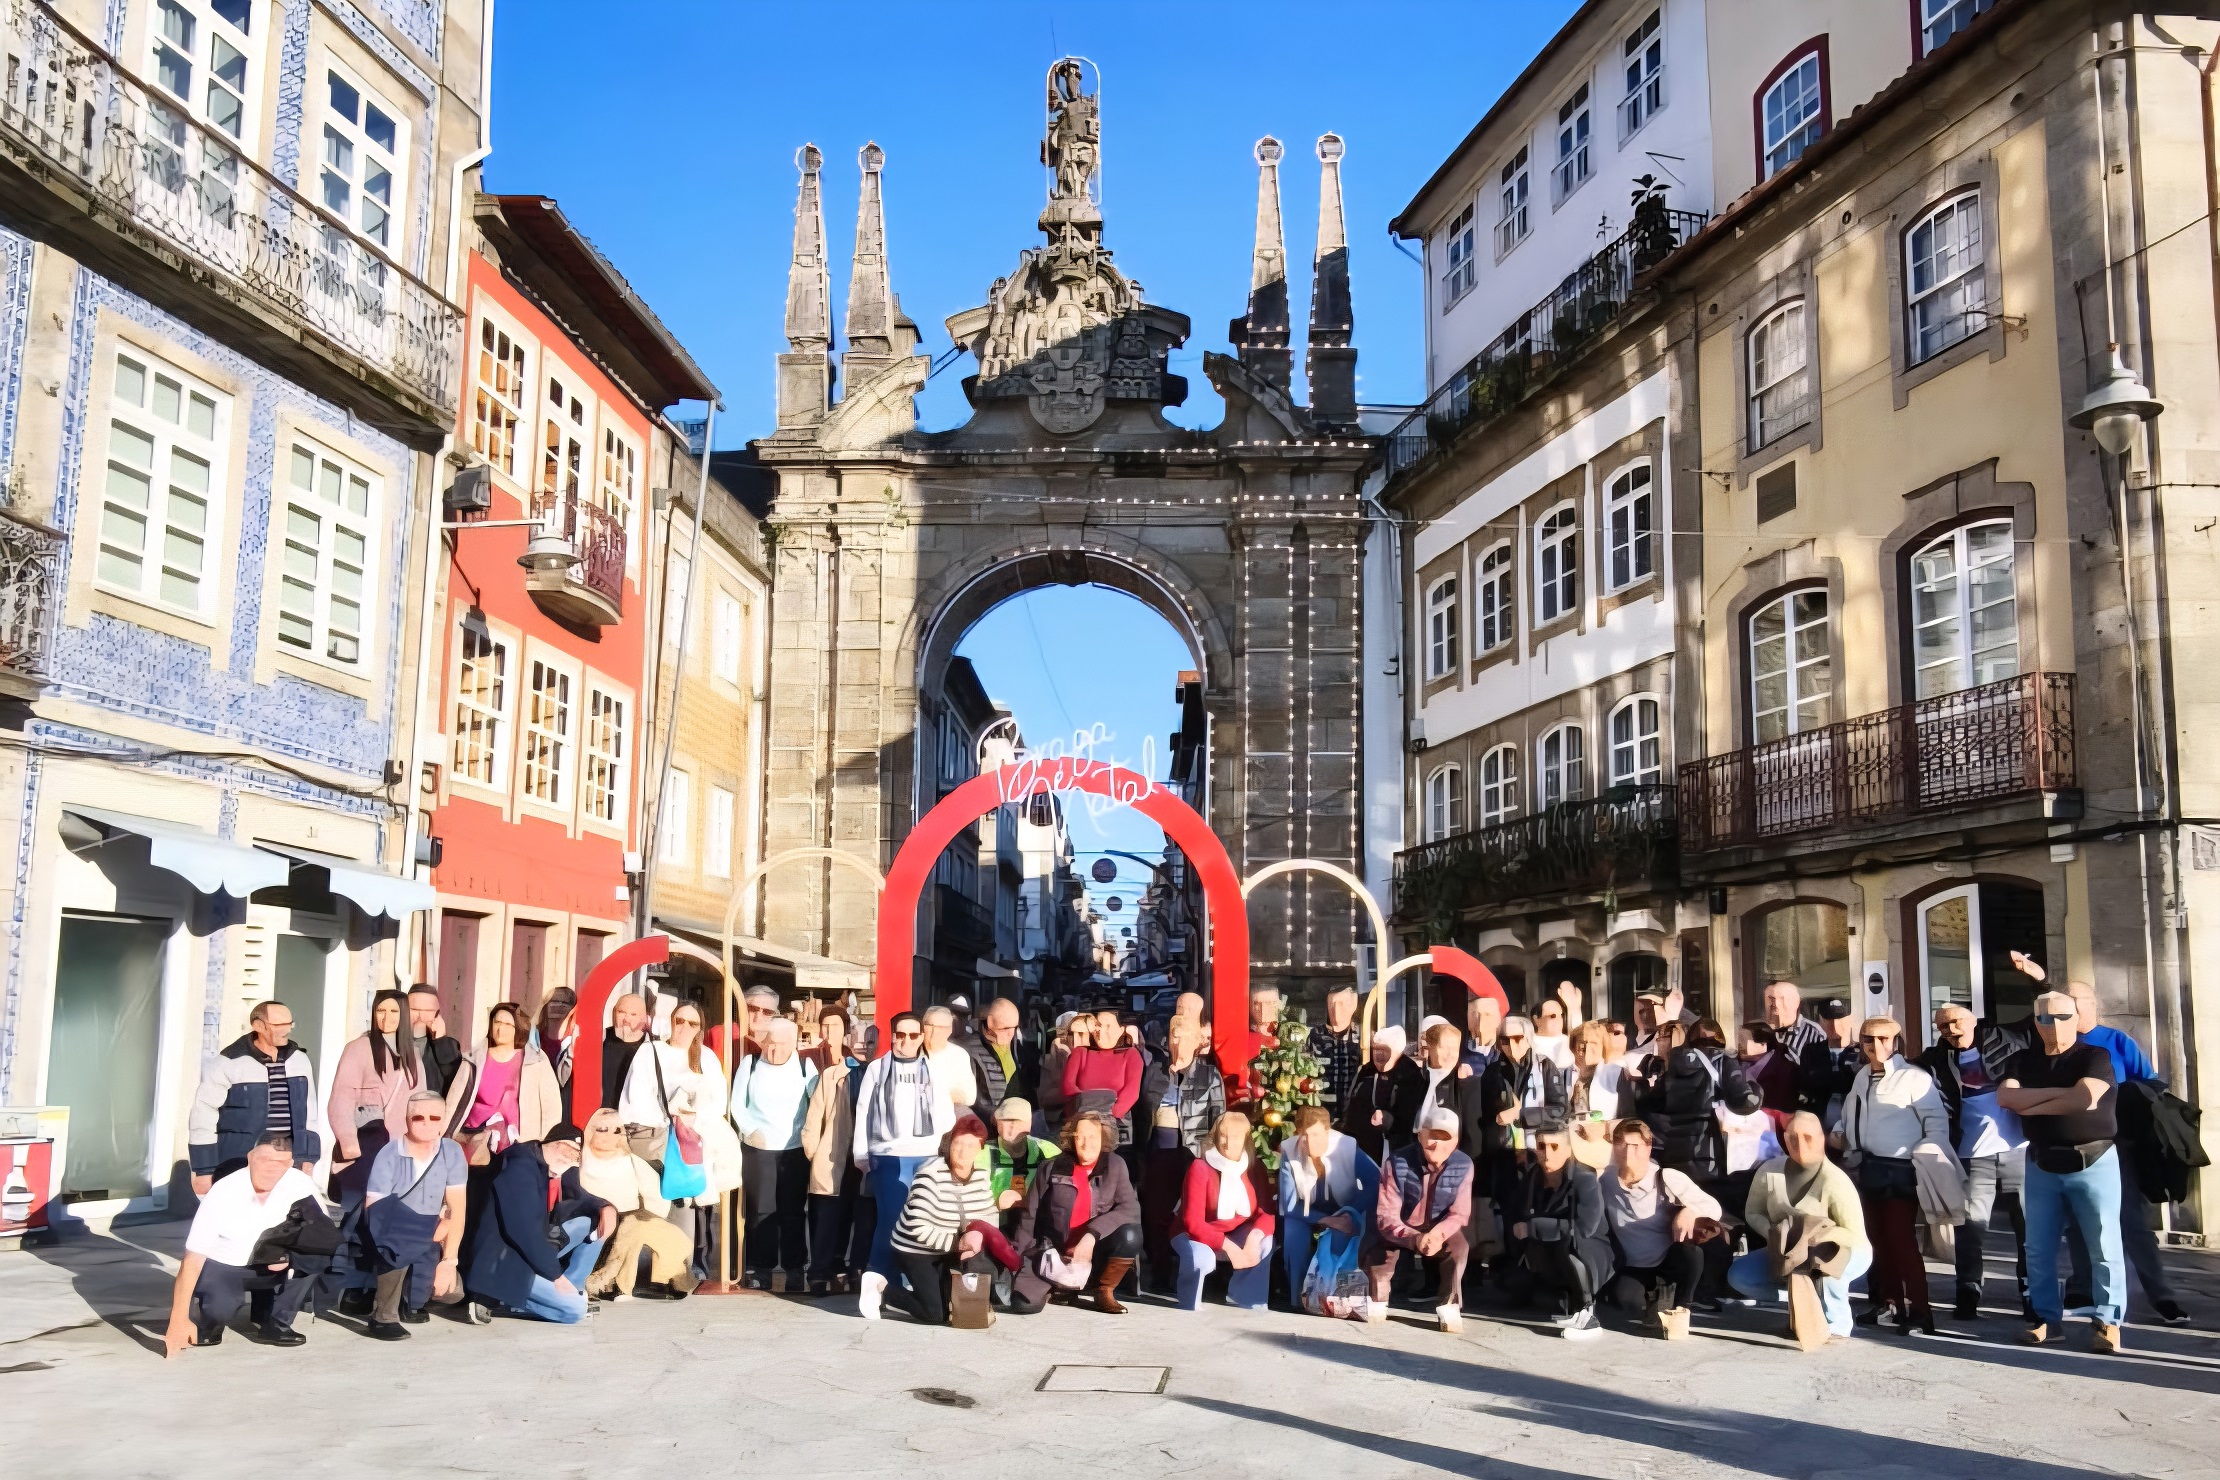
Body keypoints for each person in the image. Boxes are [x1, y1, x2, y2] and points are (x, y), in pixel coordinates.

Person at [2001, 990, 2126, 1352]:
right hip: (2042, 1162)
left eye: (2061, 1016)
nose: (2052, 1025)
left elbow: (2084, 1099)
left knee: (2103, 1246)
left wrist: (2030, 1104)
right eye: (2043, 1018)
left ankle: (2108, 1321)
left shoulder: (2094, 1056)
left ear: (2077, 1018)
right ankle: (2045, 1319)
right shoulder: (2022, 1060)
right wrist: (2062, 1098)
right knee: (2037, 1248)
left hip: (2094, 1160)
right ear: (2034, 1021)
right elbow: (2006, 1098)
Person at [2061, 973, 2186, 1325]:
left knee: (2132, 1222)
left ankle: (2161, 1296)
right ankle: (2082, 1288)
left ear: (2092, 1005)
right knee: (2077, 1221)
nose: (2069, 1010)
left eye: (2075, 1002)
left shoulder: (2116, 1040)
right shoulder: (2057, 1045)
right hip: (2072, 1145)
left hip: (2118, 1146)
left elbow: (2151, 1085)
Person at [1917, 1002, 2034, 1320]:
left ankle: (2032, 1294)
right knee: (1969, 1230)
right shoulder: (1936, 1059)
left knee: (2029, 1229)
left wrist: (2041, 980)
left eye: (1955, 1022)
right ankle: (1968, 1294)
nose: (1950, 1030)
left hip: (2019, 1148)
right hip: (1971, 1155)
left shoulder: (2004, 1039)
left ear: (1972, 1020)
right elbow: (1899, 1069)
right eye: (1942, 1026)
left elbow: (2037, 1018)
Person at [1838, 1015, 1949, 1334]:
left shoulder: (1914, 1078)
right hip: (1867, 1166)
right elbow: (1852, 1115)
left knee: (1902, 1242)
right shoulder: (1861, 1076)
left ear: (1897, 1042)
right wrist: (1840, 1134)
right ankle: (1891, 1305)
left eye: (1883, 1038)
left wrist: (1929, 1160)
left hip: (1902, 1169)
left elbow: (1936, 1124)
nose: (1876, 1045)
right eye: (1868, 1039)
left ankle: (1921, 1313)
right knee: (1876, 1241)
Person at [164, 1136, 325, 1355]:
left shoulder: (300, 1184)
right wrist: (178, 1320)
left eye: (279, 1162)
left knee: (315, 1256)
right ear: (251, 1159)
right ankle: (211, 1320)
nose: (271, 1169)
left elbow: (320, 1234)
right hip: (225, 1266)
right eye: (265, 1161)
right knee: (221, 1307)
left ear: (289, 1163)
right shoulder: (223, 1192)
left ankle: (276, 1321)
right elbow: (192, 1260)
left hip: (272, 1263)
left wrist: (290, 1254)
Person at [1730, 1112, 1872, 1342]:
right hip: (1788, 1248)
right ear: (1785, 1140)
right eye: (1793, 1138)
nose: (1800, 1145)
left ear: (1821, 1138)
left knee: (1826, 1269)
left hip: (1840, 1249)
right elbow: (1753, 1212)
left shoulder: (1835, 1181)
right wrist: (1773, 1233)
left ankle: (1836, 1325)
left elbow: (1855, 1235)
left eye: (1808, 1137)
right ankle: (1802, 1304)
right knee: (1740, 1276)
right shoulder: (1769, 1170)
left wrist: (1814, 1236)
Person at [851, 1012, 955, 1312]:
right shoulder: (876, 1069)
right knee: (891, 1220)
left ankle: (907, 1285)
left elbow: (946, 1114)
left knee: (919, 1220)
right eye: (900, 1034)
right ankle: (878, 1279)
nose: (906, 1041)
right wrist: (861, 1155)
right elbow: (863, 1111)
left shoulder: (933, 1070)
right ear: (892, 1035)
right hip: (888, 1154)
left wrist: (937, 1147)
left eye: (912, 1035)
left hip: (926, 1155)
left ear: (921, 1037)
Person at [461, 1123, 613, 1325]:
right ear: (557, 1144)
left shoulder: (552, 1164)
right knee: (574, 1311)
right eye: (570, 1154)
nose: (572, 1162)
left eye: (575, 1158)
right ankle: (500, 1298)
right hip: (501, 1260)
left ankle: (571, 1291)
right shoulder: (519, 1166)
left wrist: (605, 1207)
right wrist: (555, 1276)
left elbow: (579, 1195)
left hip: (526, 1253)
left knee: (591, 1222)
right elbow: (523, 1232)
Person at [877, 1115, 1009, 1324]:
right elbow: (917, 1227)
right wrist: (957, 1244)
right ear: (949, 1145)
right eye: (958, 1144)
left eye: (970, 1145)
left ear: (980, 1148)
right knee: (935, 1314)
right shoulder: (930, 1175)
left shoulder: (980, 1176)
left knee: (955, 1306)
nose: (963, 1151)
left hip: (950, 1250)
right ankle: (884, 1292)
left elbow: (988, 1214)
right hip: (917, 1249)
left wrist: (977, 1238)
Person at [1010, 1110, 1144, 1314]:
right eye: (1080, 1136)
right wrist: (1018, 1261)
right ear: (1071, 1138)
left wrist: (1092, 1235)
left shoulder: (1115, 1165)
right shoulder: (1050, 1168)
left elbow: (1130, 1209)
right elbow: (1030, 1217)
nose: (1086, 1143)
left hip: (1095, 1254)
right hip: (1054, 1251)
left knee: (1131, 1234)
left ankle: (1102, 1291)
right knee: (1023, 1305)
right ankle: (1060, 1286)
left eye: (1092, 1136)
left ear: (1103, 1138)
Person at [359, 1091, 469, 1339]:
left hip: (431, 1231)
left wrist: (449, 1260)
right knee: (396, 1248)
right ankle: (383, 1316)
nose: (427, 1124)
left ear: (443, 1120)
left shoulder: (451, 1151)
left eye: (434, 1118)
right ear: (407, 1119)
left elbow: (458, 1207)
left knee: (451, 1292)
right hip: (394, 1228)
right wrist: (410, 1233)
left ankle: (411, 1299)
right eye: (418, 1117)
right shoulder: (389, 1153)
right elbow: (375, 1209)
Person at [1599, 1120, 1719, 1339]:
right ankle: (1657, 1298)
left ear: (1648, 1147)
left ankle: (1682, 1308)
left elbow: (1715, 1208)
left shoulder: (1666, 1177)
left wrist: (1689, 1211)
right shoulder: (1606, 1179)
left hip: (1668, 1259)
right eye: (1622, 1145)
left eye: (1636, 1146)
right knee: (1625, 1304)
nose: (1629, 1152)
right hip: (1634, 1264)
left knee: (1692, 1254)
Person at [188, 1000, 320, 1194]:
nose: (287, 1030)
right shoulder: (230, 1062)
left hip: (288, 1162)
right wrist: (204, 1169)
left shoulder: (300, 1060)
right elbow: (203, 1114)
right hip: (239, 1163)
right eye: (279, 1025)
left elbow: (310, 1112)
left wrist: (308, 1157)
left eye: (289, 1024)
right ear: (259, 1026)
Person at [1133, 1014, 1225, 1289]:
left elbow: (1218, 1120)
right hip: (1159, 1151)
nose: (1176, 1040)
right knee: (1156, 1213)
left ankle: (1196, 1274)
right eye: (1173, 1034)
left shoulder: (1209, 1075)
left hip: (1194, 1154)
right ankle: (1160, 1272)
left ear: (1197, 1041)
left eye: (1183, 1035)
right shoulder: (1154, 1071)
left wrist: (1212, 1160)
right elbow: (1141, 1114)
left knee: (1192, 1214)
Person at [1365, 1106, 1475, 1331]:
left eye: (1445, 1137)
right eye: (1432, 1135)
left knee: (1458, 1248)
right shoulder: (1396, 1162)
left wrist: (1438, 1234)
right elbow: (1387, 1215)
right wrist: (1414, 1237)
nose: (1437, 1144)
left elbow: (1460, 1213)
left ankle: (1449, 1305)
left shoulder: (1464, 1164)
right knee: (1376, 1243)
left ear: (1456, 1141)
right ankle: (1378, 1298)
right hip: (1401, 1225)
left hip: (1438, 1226)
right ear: (1420, 1135)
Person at [731, 1016, 819, 1290]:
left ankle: (795, 1269)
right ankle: (761, 1268)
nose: (774, 1049)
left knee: (793, 1212)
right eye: (770, 1043)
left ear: (793, 1044)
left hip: (794, 1149)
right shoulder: (750, 1064)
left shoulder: (804, 1066)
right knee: (760, 1210)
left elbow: (817, 1103)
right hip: (759, 1149)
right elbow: (736, 1104)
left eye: (781, 1044)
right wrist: (750, 1129)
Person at [577, 1109, 698, 1300]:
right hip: (599, 1220)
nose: (611, 1135)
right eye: (602, 1129)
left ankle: (659, 1280)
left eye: (617, 1130)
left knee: (675, 1238)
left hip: (636, 1216)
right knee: (632, 1232)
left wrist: (651, 1215)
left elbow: (652, 1190)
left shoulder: (631, 1161)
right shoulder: (581, 1163)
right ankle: (618, 1284)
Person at [1505, 1126, 1611, 1338]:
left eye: (1555, 1146)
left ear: (1568, 1150)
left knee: (1568, 1244)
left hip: (1587, 1250)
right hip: (1547, 1253)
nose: (1547, 1153)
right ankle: (1571, 1305)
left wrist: (1533, 1227)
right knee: (1513, 1284)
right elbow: (1515, 1212)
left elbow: (1585, 1227)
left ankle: (1588, 1314)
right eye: (1541, 1146)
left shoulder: (1585, 1178)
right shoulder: (1532, 1177)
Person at [1171, 1111, 1275, 1311]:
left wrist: (1253, 1239)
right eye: (1223, 1136)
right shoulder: (1200, 1167)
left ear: (1245, 1140)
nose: (1227, 1143)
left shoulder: (1255, 1168)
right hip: (1193, 1234)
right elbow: (1193, 1223)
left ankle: (1248, 1301)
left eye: (1235, 1137)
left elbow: (1267, 1213)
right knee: (1203, 1258)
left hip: (1236, 1231)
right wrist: (1230, 1247)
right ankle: (1189, 1301)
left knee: (1265, 1243)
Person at [1277, 1105, 1379, 1307]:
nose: (1309, 1141)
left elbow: (1376, 1182)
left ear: (1327, 1131)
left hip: (1347, 1209)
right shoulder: (1290, 1151)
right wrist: (1326, 1220)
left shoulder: (1346, 1147)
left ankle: (1335, 1296)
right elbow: (1289, 1206)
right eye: (1304, 1135)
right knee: (1294, 1231)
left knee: (1342, 1235)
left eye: (1315, 1134)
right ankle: (1298, 1298)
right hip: (1307, 1212)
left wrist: (1351, 1212)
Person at [444, 1002, 563, 1159]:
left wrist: (544, 1145)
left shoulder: (536, 1061)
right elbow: (453, 1101)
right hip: (475, 1139)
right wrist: (445, 1136)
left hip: (521, 1144)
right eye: (497, 1022)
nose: (500, 1029)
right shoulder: (474, 1059)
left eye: (508, 1024)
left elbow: (551, 1107)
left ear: (518, 1028)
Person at [800, 1025, 863, 1297]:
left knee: (857, 1219)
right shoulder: (831, 1075)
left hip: (864, 1160)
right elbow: (814, 1118)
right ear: (849, 1041)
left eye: (871, 1040)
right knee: (826, 1219)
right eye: (859, 1039)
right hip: (833, 1157)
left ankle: (849, 1270)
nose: (864, 1045)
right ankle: (818, 1274)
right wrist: (814, 1152)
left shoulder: (879, 1073)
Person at [1480, 1015, 1566, 1206]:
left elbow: (1560, 1111)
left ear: (1528, 1038)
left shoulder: (1545, 1066)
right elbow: (1484, 1116)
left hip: (1538, 1152)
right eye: (1505, 1040)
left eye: (1517, 1038)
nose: (1511, 1045)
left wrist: (1521, 1115)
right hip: (1503, 1155)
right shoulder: (1492, 1072)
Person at [1340, 1024, 1424, 1165]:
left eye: (1383, 1050)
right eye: (1376, 1049)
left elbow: (1411, 1117)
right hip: (1361, 1148)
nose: (1378, 1054)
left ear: (1397, 1051)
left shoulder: (1410, 1074)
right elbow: (1350, 1105)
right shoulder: (1366, 1070)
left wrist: (1388, 1119)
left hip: (1396, 1151)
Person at [1062, 1005, 1144, 1146]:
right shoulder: (1080, 1053)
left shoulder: (1131, 1055)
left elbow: (1131, 1093)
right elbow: (1067, 1087)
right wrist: (1085, 1114)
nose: (1100, 1030)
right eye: (1098, 1025)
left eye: (1107, 1026)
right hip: (1081, 1122)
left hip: (1115, 1123)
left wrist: (1109, 1115)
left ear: (1121, 1030)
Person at [1420, 1021, 1493, 1171]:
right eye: (1444, 1048)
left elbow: (1473, 1136)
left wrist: (1465, 1170)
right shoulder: (1418, 1080)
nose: (1450, 1054)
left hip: (1455, 1167)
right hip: (1419, 1164)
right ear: (1430, 1047)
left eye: (1454, 1048)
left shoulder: (1467, 1084)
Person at [986, 1098, 1060, 1237]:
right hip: (994, 1227)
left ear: (1029, 1124)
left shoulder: (1049, 1151)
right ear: (997, 1122)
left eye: (1018, 1121)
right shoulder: (982, 1152)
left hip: (1037, 1228)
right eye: (1007, 1120)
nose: (1012, 1127)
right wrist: (995, 1201)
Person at [963, 996, 1039, 1117]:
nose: (1011, 1033)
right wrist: (993, 1116)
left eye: (1015, 1027)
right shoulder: (970, 1049)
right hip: (989, 1120)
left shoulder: (1016, 1046)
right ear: (990, 1022)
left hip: (1020, 1117)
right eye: (1006, 1028)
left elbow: (1028, 1084)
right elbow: (970, 1097)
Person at [1565, 1021, 1624, 1167]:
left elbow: (1634, 1120)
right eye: (1582, 1045)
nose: (1587, 1050)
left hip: (1607, 1158)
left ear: (1604, 1047)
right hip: (1573, 1157)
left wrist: (1605, 1127)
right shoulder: (1565, 1076)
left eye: (1594, 1044)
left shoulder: (1618, 1074)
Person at [1803, 999, 1862, 1129]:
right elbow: (1807, 1085)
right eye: (1828, 1019)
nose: (1834, 1024)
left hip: (1856, 1119)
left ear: (1849, 1020)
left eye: (1840, 1019)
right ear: (1820, 1022)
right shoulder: (1811, 1051)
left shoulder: (1861, 1052)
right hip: (1820, 1118)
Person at [1307, 985, 1363, 1113]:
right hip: (1322, 1111)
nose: (1336, 1011)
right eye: (1332, 1005)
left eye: (1341, 1004)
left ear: (1353, 1006)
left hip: (1354, 1111)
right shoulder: (1316, 1035)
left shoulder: (1362, 1036)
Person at [406, 985, 464, 1099]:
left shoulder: (449, 1047)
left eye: (428, 1010)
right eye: (415, 1009)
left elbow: (454, 1083)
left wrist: (441, 1041)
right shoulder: (392, 1042)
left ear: (437, 1014)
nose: (420, 1016)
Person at [599, 992, 651, 1112]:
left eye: (633, 1014)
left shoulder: (652, 1048)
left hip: (634, 1118)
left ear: (644, 1018)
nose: (626, 1019)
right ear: (614, 1013)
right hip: (601, 1116)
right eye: (621, 1012)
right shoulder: (599, 1039)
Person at [922, 1005, 979, 1113]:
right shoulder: (913, 1052)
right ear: (923, 1027)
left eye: (941, 1028)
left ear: (949, 1030)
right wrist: (949, 1093)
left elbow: (969, 1097)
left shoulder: (959, 1055)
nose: (934, 1032)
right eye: (929, 1026)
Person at [1737, 1022, 1801, 1114]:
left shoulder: (1787, 1072)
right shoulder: (1736, 1065)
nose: (1739, 1044)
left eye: (1743, 1040)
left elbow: (1782, 1111)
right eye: (1738, 1039)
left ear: (1763, 1045)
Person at [1759, 980, 1826, 1067]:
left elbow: (1820, 1069)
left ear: (1796, 1002)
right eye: (1770, 999)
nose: (1775, 1004)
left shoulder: (1813, 1033)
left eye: (1781, 998)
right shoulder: (1757, 1030)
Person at [534, 987, 578, 1091]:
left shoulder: (577, 1038)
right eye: (554, 1001)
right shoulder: (534, 1036)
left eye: (564, 1002)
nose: (558, 1005)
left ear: (572, 1009)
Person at [1459, 994, 1503, 1079]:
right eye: (1475, 1015)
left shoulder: (1498, 1052)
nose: (1481, 1022)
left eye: (1487, 1015)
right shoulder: (1462, 1046)